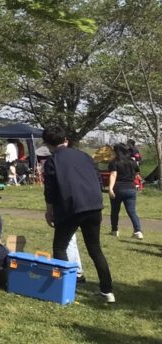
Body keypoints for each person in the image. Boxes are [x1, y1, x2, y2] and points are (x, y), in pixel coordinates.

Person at [41, 123, 115, 303]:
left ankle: (65, 288)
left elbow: (50, 189)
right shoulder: (84, 155)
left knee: (60, 246)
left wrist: (49, 210)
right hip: (94, 205)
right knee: (95, 249)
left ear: (47, 144)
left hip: (71, 207)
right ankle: (107, 291)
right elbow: (98, 180)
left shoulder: (52, 161)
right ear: (65, 139)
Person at [108, 142, 144, 239]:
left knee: (115, 211)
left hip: (118, 189)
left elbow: (113, 175)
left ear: (116, 151)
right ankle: (138, 231)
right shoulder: (132, 162)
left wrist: (110, 188)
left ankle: (114, 230)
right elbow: (137, 174)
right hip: (131, 189)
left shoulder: (114, 162)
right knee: (132, 211)